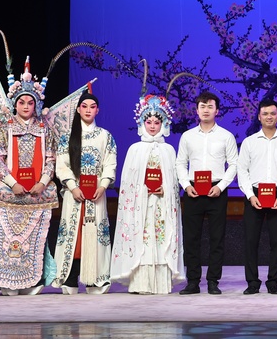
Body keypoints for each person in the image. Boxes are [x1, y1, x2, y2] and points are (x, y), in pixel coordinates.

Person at [0, 63, 59, 295]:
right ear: (15, 104)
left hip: (36, 190)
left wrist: (42, 183)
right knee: (5, 237)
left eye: (30, 102)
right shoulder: (5, 127)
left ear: (36, 105)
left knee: (34, 238)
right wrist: (13, 183)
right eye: (22, 102)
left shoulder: (45, 129)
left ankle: (31, 281)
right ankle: (5, 281)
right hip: (10, 189)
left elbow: (51, 159)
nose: (26, 106)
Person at [110, 94, 185, 294]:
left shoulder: (169, 150)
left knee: (161, 239)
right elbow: (128, 183)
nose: (152, 126)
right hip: (140, 204)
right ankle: (140, 283)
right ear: (142, 123)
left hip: (161, 203)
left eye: (156, 122)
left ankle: (161, 283)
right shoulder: (135, 149)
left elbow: (174, 181)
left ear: (164, 124)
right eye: (148, 122)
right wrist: (142, 189)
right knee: (141, 239)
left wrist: (165, 189)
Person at [53, 91, 118, 294]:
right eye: (84, 106)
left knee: (96, 233)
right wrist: (73, 187)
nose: (88, 110)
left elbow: (110, 163)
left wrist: (103, 185)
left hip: (96, 193)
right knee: (73, 234)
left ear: (98, 110)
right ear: (78, 109)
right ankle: (70, 278)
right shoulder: (67, 137)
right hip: (74, 193)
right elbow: (62, 165)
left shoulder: (105, 136)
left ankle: (95, 279)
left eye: (92, 107)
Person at [175, 90, 238, 295]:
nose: (206, 110)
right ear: (196, 110)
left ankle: (213, 281)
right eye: (202, 106)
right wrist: (186, 185)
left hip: (216, 191)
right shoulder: (187, 136)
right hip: (193, 190)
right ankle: (193, 281)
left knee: (216, 238)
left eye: (210, 106)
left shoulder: (226, 136)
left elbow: (234, 164)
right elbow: (180, 163)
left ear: (217, 111)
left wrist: (221, 186)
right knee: (191, 238)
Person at [237, 99, 277, 295]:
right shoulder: (249, 142)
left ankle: (273, 282)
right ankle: (252, 283)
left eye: (272, 113)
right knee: (251, 241)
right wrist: (249, 195)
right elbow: (242, 170)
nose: (269, 117)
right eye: (265, 114)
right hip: (254, 195)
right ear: (259, 117)